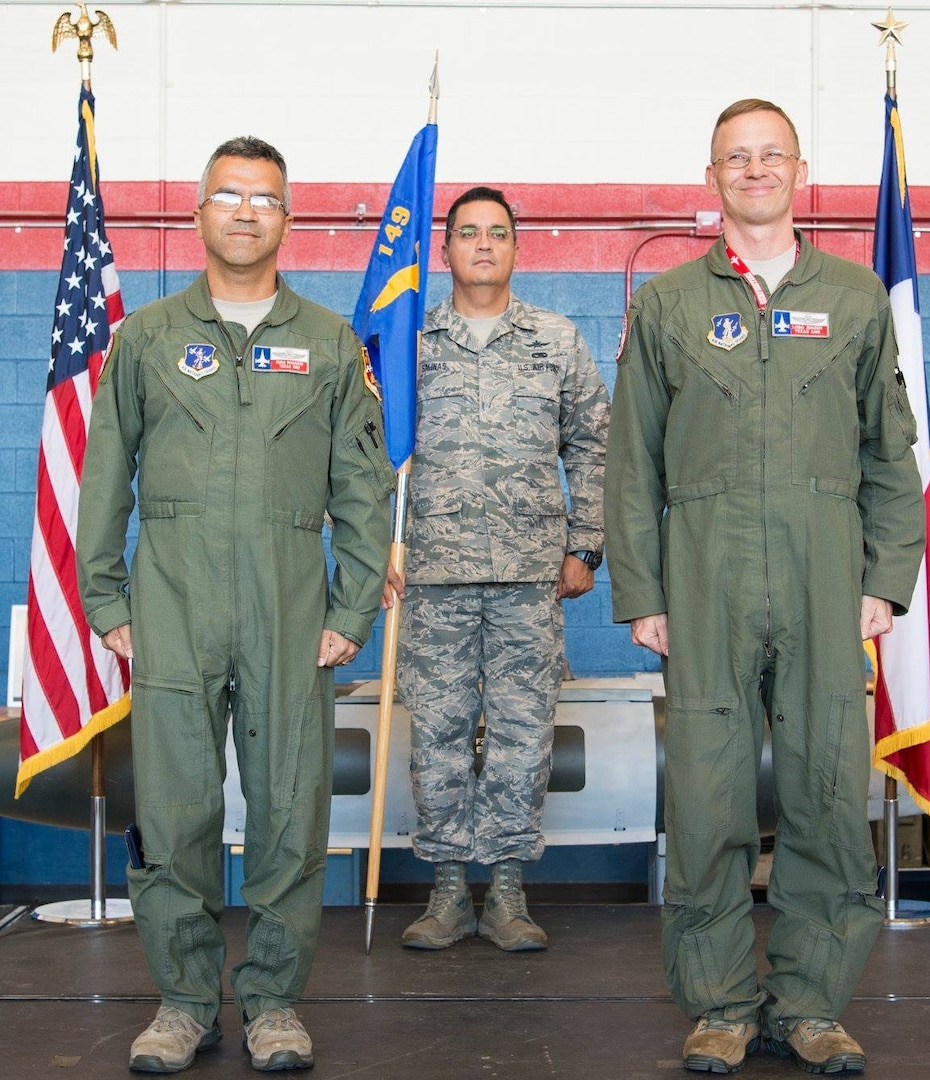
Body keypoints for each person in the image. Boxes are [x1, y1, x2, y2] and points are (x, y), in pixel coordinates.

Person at [605, 100, 924, 1075]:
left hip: (828, 578)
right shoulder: (665, 305)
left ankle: (811, 1002)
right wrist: (643, 592)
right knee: (708, 801)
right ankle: (719, 1004)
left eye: (768, 155)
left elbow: (889, 451)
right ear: (712, 177)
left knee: (828, 795)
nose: (753, 170)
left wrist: (884, 579)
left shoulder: (858, 296)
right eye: (734, 159)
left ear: (796, 169)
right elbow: (631, 464)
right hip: (703, 579)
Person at [77, 136, 394, 1074]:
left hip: (292, 599)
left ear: (287, 219)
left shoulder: (331, 342)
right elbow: (104, 477)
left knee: (289, 810)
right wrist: (105, 594)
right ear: (201, 213)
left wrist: (352, 606)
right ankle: (182, 1003)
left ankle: (273, 1005)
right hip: (171, 596)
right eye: (228, 195)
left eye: (265, 198)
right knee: (174, 812)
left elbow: (363, 490)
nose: (246, 212)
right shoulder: (144, 339)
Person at [389, 186, 610, 952]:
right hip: (431, 574)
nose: (483, 245)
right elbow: (362, 454)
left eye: (498, 233)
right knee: (438, 733)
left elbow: (591, 444)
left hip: (528, 577)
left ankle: (507, 888)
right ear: (444, 249)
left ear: (516, 248)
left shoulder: (555, 339)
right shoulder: (405, 341)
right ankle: (449, 888)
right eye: (468, 233)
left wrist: (584, 545)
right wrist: (377, 553)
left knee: (523, 733)